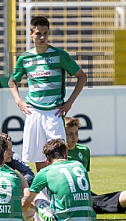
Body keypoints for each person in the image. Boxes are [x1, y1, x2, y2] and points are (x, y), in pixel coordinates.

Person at [8, 15, 87, 172]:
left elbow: (82, 77)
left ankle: (57, 193)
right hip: (33, 112)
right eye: (38, 33)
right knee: (39, 159)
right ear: (31, 34)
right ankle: (44, 196)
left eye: (45, 33)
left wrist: (69, 102)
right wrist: (19, 101)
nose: (42, 37)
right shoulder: (24, 58)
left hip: (54, 113)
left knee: (58, 157)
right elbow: (12, 81)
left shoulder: (59, 55)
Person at [64, 117, 126, 214]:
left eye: (76, 133)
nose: (74, 137)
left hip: (87, 197)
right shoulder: (57, 154)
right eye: (70, 134)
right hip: (72, 200)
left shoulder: (84, 151)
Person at [23, 139, 95, 221]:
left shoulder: (46, 172)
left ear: (47, 160)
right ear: (65, 154)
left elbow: (24, 204)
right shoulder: (80, 166)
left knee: (37, 197)